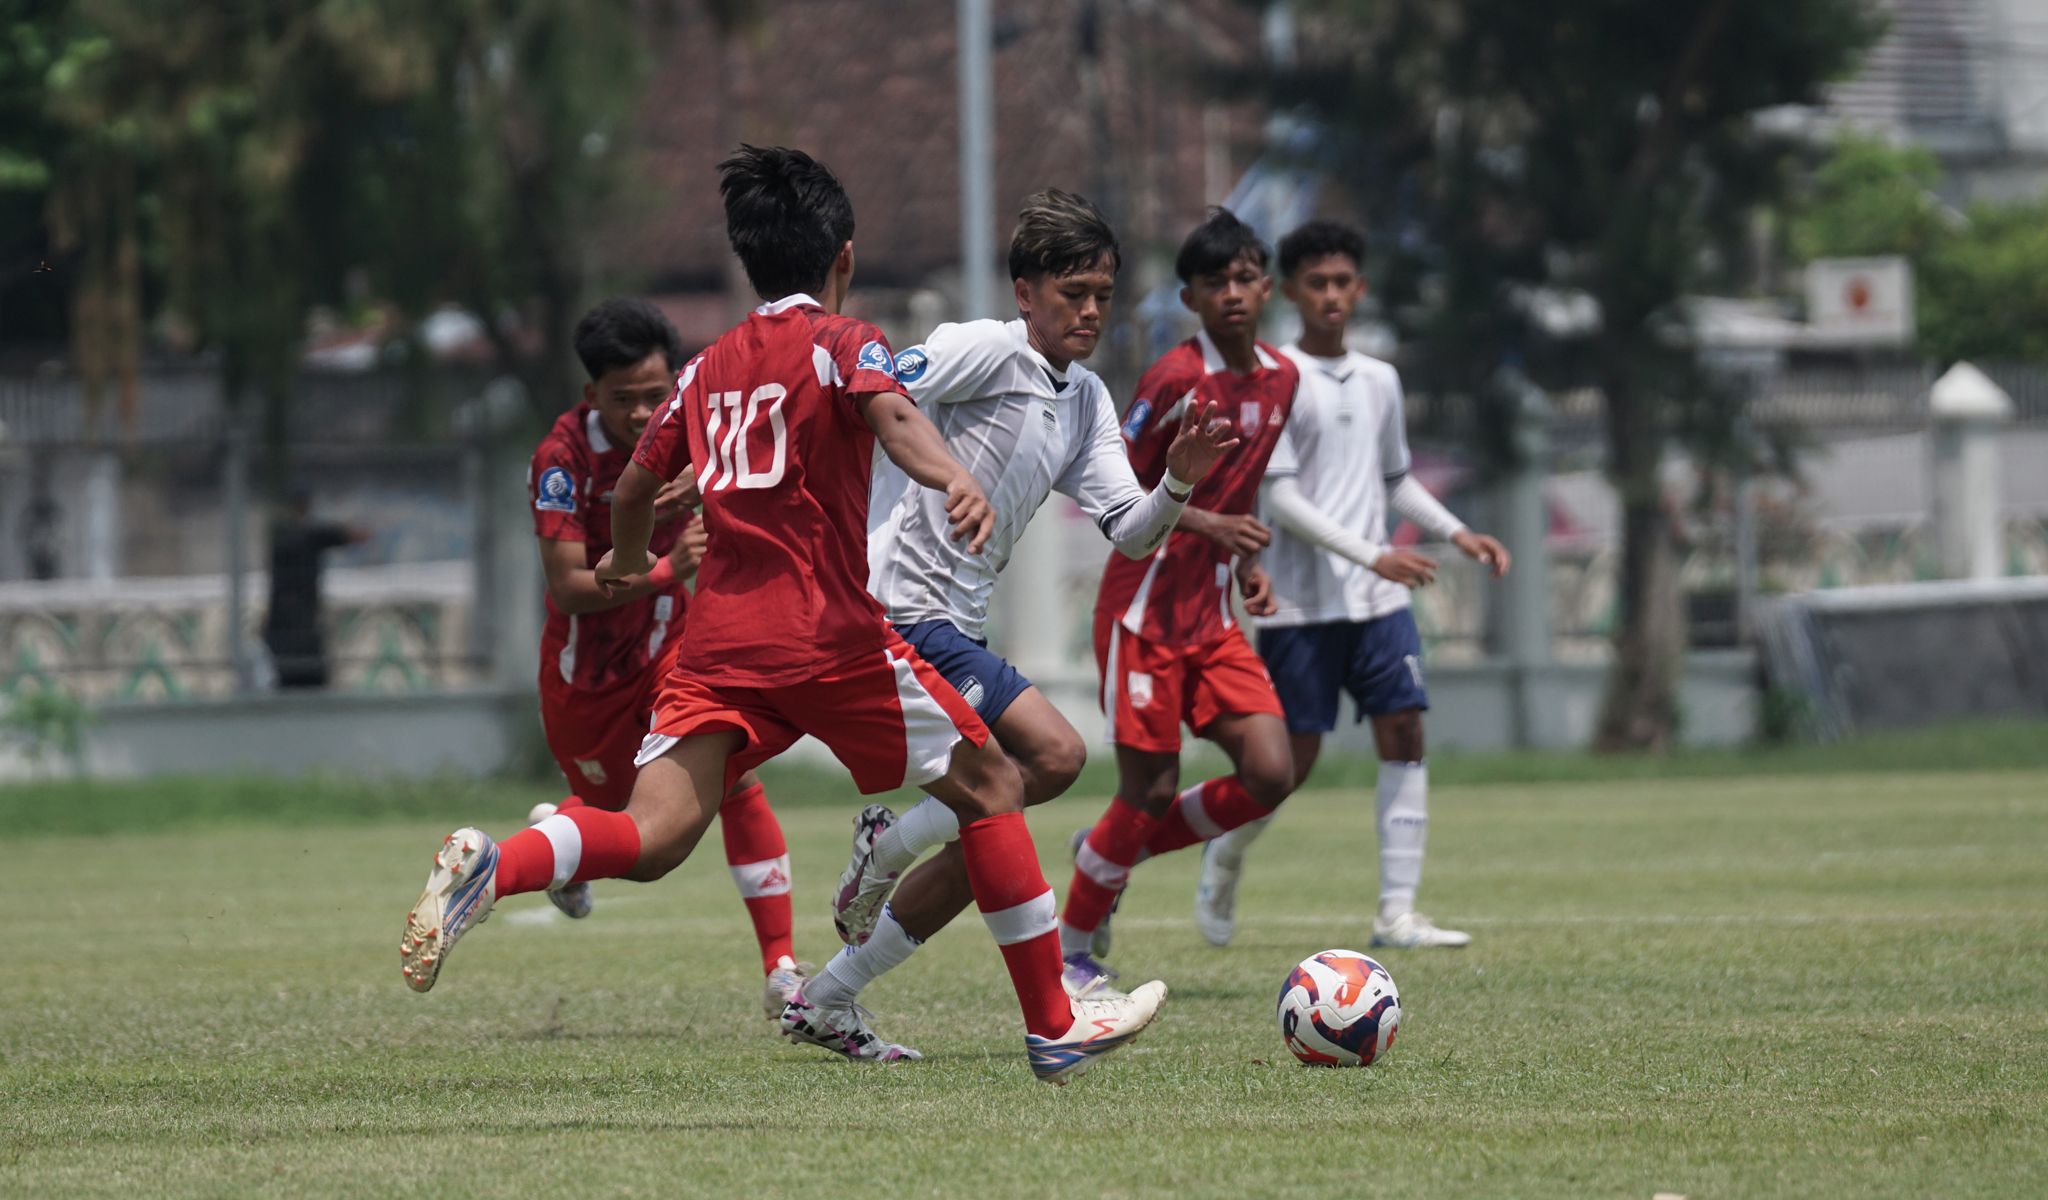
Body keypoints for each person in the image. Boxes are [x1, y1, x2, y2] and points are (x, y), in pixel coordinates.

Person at [399, 146, 1164, 1085]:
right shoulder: (847, 343)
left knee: (652, 836)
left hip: (720, 641)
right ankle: (1053, 1023)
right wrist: (952, 473)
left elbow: (637, 486)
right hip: (831, 634)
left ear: (750, 261)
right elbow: (895, 417)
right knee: (996, 785)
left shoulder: (707, 366)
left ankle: (500, 865)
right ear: (841, 257)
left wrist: (633, 562)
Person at [792, 189, 1239, 1057]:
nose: (1090, 311)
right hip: (896, 609)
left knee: (984, 839)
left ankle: (828, 996)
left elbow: (1132, 534)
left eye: (1103, 294)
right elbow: (871, 395)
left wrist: (1177, 482)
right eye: (1073, 291)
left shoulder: (1086, 402)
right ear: (1025, 291)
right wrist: (927, 477)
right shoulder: (983, 347)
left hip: (956, 627)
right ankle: (911, 864)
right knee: (1058, 755)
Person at [1191, 219, 1510, 950]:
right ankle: (1225, 854)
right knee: (1285, 767)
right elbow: (1286, 499)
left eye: (1342, 283)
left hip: (1378, 602)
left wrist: (1455, 531)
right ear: (1291, 293)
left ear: (1359, 290)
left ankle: (1397, 912)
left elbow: (1395, 478)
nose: (1331, 296)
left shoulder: (1380, 380)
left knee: (1405, 730)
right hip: (1304, 606)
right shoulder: (1276, 377)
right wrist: (1373, 554)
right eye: (1316, 283)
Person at [525, 296, 808, 1017]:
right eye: (625, 401)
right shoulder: (563, 458)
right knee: (620, 815)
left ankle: (782, 969)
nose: (644, 412)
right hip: (585, 676)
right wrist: (662, 569)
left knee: (733, 774)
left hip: (677, 651)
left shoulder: (699, 427)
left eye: (657, 395)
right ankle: (558, 835)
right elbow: (567, 588)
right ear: (591, 396)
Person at [1056, 208, 1301, 989]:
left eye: (1243, 279)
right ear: (1189, 298)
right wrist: (1209, 523)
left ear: (1266, 287)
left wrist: (1245, 555)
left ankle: (1106, 853)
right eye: (1212, 283)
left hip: (1212, 615)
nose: (1231, 294)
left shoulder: (1281, 378)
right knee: (1150, 787)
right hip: (1143, 611)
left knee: (1271, 770)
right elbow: (1115, 493)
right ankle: (1073, 950)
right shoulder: (1171, 379)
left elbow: (1246, 478)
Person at [263, 487, 368, 689]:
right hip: (298, 629)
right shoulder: (299, 536)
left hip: (286, 627)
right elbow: (332, 535)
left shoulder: (284, 536)